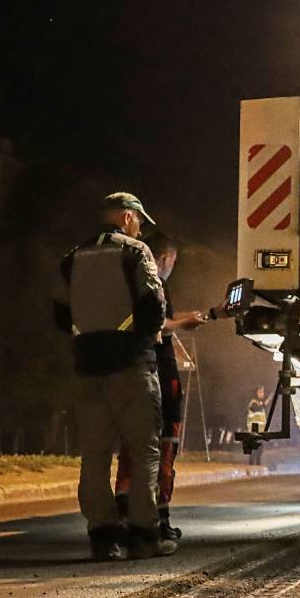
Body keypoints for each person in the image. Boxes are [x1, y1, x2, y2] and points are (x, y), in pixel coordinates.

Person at [53, 192, 177, 562]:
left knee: (94, 456)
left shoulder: (72, 257)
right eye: (139, 222)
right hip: (130, 363)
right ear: (127, 218)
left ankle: (103, 538)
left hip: (87, 367)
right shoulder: (136, 253)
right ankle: (144, 536)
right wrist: (144, 336)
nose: (140, 229)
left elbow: (60, 316)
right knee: (144, 451)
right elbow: (154, 304)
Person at [115, 230, 205, 541]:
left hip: (130, 372)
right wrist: (182, 325)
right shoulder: (156, 282)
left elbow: (160, 317)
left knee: (131, 444)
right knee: (165, 446)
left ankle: (124, 516)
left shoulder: (130, 281)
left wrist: (193, 316)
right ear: (166, 258)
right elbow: (158, 325)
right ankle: (158, 521)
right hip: (162, 377)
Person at [245, 385, 269, 466]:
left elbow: (262, 420)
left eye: (263, 392)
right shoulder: (253, 402)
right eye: (260, 392)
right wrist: (264, 404)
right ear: (256, 393)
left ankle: (258, 464)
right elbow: (255, 409)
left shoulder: (260, 404)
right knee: (254, 449)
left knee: (260, 449)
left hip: (260, 431)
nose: (262, 394)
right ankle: (252, 465)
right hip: (254, 429)